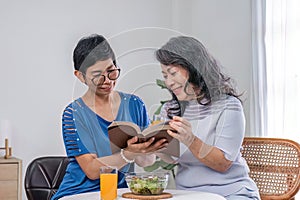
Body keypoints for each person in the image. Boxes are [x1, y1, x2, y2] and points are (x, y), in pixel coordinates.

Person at [52, 34, 167, 200]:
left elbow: (145, 162)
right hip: (79, 193)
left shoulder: (135, 104)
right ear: (80, 76)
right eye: (97, 75)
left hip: (119, 194)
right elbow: (92, 171)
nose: (107, 81)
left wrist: (150, 147)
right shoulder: (74, 113)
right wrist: (127, 154)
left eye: (111, 71)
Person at [155, 36, 261, 200]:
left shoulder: (228, 106)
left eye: (172, 73)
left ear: (193, 68)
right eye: (165, 76)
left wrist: (190, 139)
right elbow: (173, 158)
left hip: (230, 193)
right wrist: (153, 146)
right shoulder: (170, 109)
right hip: (188, 195)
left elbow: (223, 164)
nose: (168, 82)